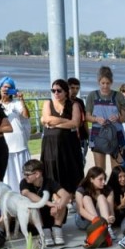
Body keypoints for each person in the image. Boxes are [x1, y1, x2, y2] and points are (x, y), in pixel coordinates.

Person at [39, 80, 83, 212]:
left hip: (69, 144)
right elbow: (47, 119)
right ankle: (57, 198)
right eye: (53, 90)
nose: (56, 93)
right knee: (52, 169)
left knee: (71, 169)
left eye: (59, 90)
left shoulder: (74, 105)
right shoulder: (48, 103)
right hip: (50, 144)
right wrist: (65, 121)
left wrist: (56, 124)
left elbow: (75, 123)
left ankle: (72, 198)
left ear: (66, 92)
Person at [85, 66, 125, 171]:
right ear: (98, 82)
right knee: (99, 170)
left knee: (116, 170)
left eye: (108, 83)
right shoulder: (92, 95)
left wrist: (117, 117)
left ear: (111, 82)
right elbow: (87, 116)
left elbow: (124, 118)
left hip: (116, 134)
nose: (105, 86)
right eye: (103, 83)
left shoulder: (118, 96)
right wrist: (96, 119)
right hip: (98, 135)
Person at [20, 158, 71, 246]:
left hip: (50, 214)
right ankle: (44, 234)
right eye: (24, 174)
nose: (25, 176)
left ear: (37, 174)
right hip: (35, 221)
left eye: (27, 174)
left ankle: (57, 231)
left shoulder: (49, 181)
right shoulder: (24, 182)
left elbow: (66, 195)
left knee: (61, 202)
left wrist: (57, 206)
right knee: (32, 206)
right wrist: (49, 203)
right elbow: (27, 193)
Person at [0, 77, 33, 191]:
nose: (6, 89)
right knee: (8, 174)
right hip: (4, 144)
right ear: (0, 88)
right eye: (4, 87)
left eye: (9, 88)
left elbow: (26, 115)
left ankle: (25, 191)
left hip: (19, 143)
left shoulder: (17, 103)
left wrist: (22, 100)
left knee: (22, 171)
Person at [74, 166, 116, 238]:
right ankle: (99, 226)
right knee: (86, 198)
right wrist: (96, 220)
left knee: (101, 197)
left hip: (102, 219)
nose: (103, 182)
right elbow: (80, 210)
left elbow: (111, 211)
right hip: (84, 220)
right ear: (91, 179)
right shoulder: (81, 189)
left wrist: (112, 217)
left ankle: (107, 228)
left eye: (104, 179)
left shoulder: (108, 190)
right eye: (100, 179)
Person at [67, 77, 89, 162]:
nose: (75, 91)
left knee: (81, 161)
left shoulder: (80, 102)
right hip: (69, 137)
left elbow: (84, 120)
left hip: (82, 136)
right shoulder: (64, 102)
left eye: (77, 88)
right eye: (72, 88)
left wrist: (89, 135)